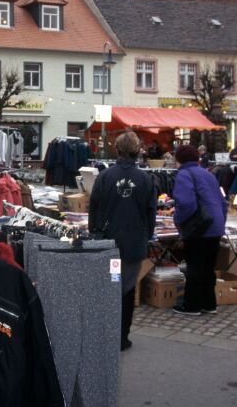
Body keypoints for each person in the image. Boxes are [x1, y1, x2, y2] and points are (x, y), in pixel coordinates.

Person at [88, 130, 157, 351]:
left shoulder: (105, 177)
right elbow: (150, 214)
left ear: (116, 150)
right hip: (132, 245)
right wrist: (145, 236)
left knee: (111, 286)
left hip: (109, 244)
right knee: (126, 289)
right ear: (138, 151)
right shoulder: (146, 179)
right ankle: (121, 337)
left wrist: (95, 233)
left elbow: (94, 208)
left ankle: (106, 334)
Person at [172, 144, 228, 316]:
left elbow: (187, 204)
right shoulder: (208, 174)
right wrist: (221, 222)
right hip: (215, 226)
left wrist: (178, 220)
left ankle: (192, 305)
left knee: (195, 266)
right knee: (208, 267)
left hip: (198, 227)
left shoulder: (184, 175)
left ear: (179, 160)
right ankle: (209, 304)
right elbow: (223, 203)